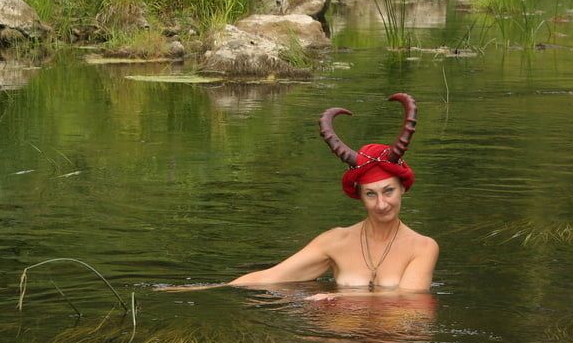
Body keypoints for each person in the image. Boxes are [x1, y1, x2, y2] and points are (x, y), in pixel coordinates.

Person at [158, 93, 438, 294]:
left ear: (403, 188)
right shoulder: (335, 241)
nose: (381, 204)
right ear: (359, 195)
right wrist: (204, 289)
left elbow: (410, 312)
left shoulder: (422, 247)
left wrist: (341, 302)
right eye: (371, 194)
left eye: (388, 191)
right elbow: (274, 276)